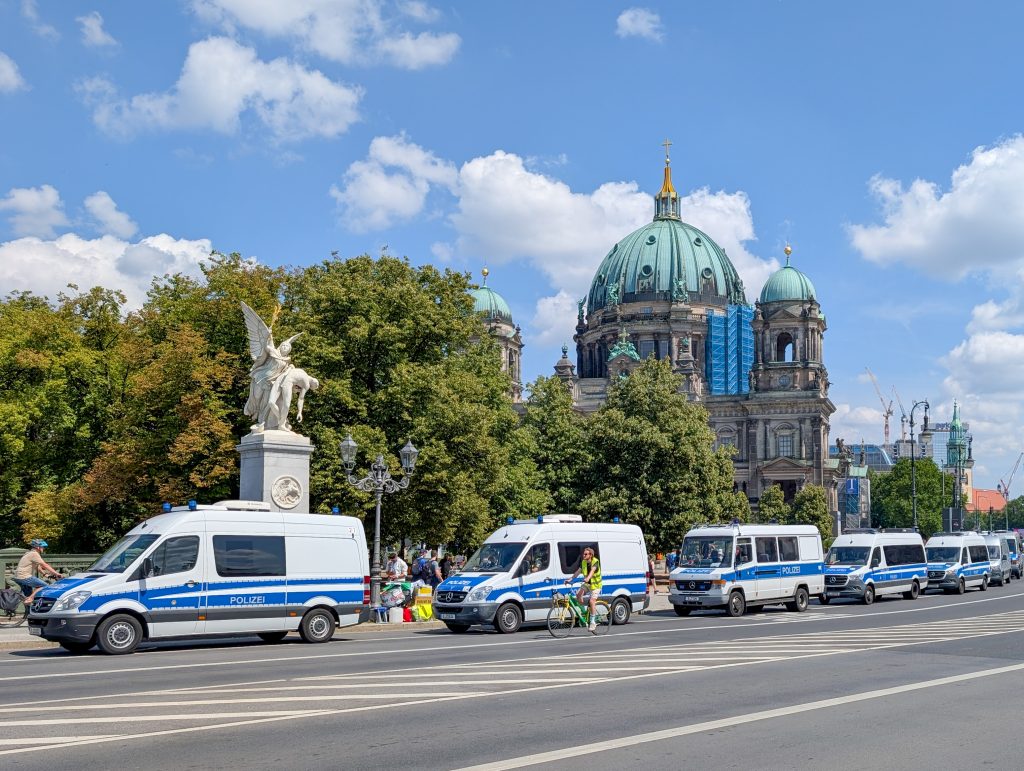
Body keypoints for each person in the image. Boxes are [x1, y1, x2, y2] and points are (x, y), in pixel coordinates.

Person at [14, 539, 62, 604]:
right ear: (37, 547)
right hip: (24, 576)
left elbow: (38, 567)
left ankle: (27, 612)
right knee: (44, 586)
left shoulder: (29, 553)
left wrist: (45, 575)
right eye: (42, 547)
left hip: (18, 577)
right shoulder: (34, 554)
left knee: (27, 595)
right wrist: (56, 573)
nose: (43, 548)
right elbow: (44, 565)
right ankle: (30, 599)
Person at [566, 546, 602, 632]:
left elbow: (592, 571)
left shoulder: (595, 562)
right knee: (578, 594)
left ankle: (593, 622)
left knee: (592, 601)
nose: (584, 555)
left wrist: (588, 578)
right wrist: (570, 579)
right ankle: (585, 612)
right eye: (583, 554)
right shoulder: (583, 562)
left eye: (586, 554)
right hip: (587, 584)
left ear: (591, 555)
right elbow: (578, 572)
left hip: (596, 586)